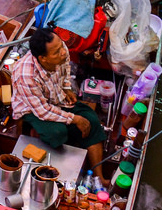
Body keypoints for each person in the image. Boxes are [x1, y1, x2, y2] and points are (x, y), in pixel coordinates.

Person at [11, 28, 108, 181]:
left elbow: (66, 70)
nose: (63, 52)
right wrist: (75, 119)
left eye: (62, 46)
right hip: (32, 110)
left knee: (93, 120)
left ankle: (99, 177)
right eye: (57, 52)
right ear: (43, 58)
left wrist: (67, 87)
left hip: (56, 98)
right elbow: (43, 111)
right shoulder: (26, 75)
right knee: (57, 133)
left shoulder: (61, 50)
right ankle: (39, 134)